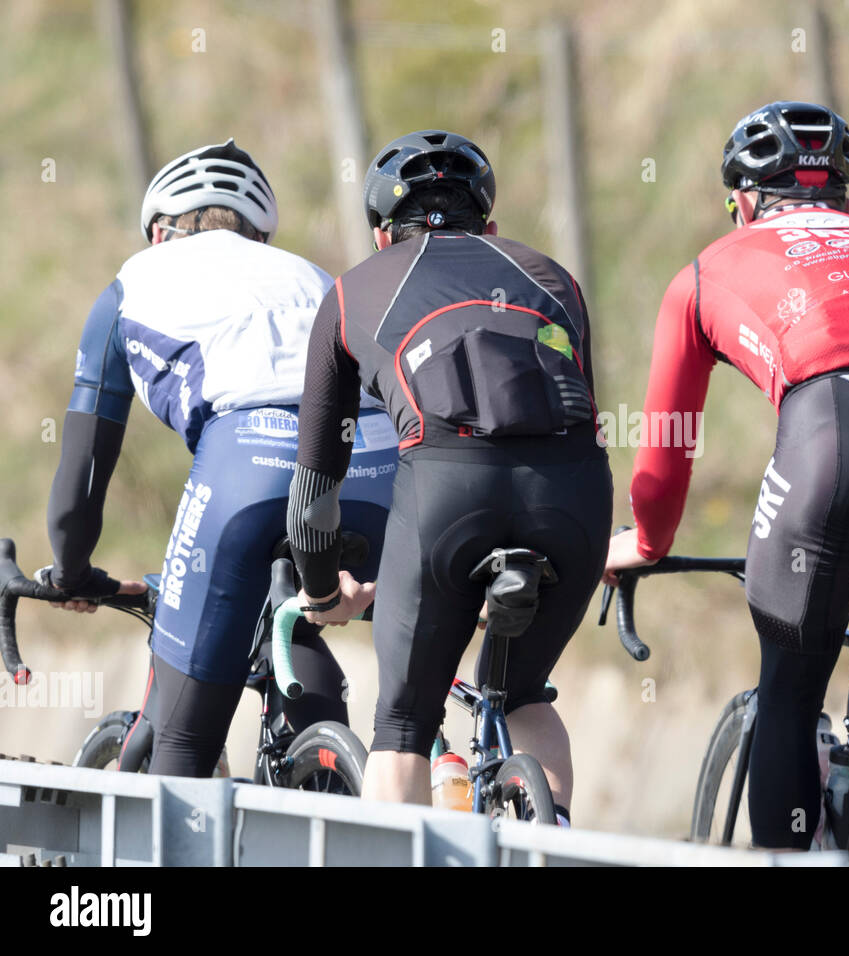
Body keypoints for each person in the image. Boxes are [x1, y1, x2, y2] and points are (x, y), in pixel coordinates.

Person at [603, 102, 849, 849]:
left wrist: (648, 542)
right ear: (844, 199)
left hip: (836, 440)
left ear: (745, 203)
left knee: (790, 686)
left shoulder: (708, 270)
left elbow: (666, 443)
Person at [45, 139, 397, 777]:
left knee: (185, 739)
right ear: (260, 235)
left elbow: (83, 474)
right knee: (301, 618)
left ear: (159, 231)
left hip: (248, 462)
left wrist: (71, 568)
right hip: (377, 463)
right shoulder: (310, 275)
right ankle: (326, 780)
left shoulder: (132, 281)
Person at [288, 130, 611, 820]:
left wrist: (321, 591)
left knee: (403, 723)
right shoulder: (553, 275)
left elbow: (316, 482)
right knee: (525, 691)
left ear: (382, 236)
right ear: (489, 226)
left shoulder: (352, 291)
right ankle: (545, 841)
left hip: (446, 485)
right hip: (577, 489)